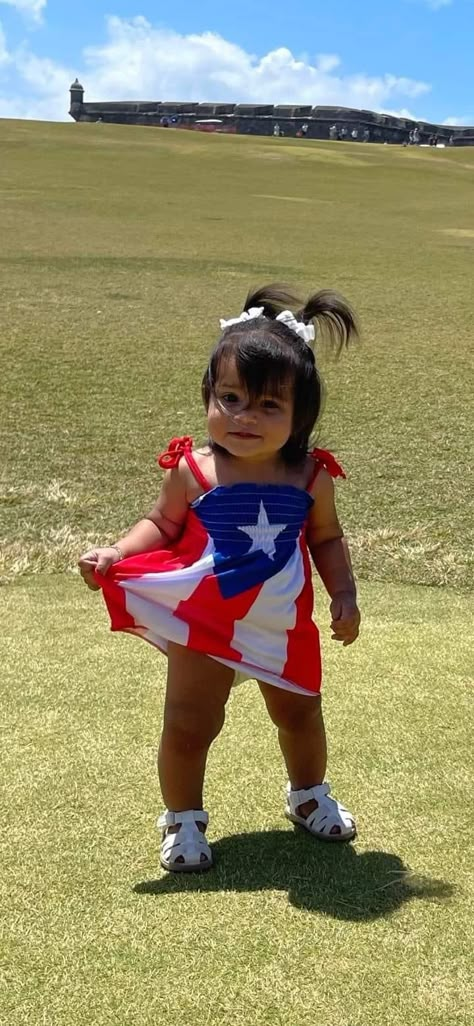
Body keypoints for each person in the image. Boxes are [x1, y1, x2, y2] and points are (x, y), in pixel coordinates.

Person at [78, 285, 361, 873]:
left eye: (267, 406)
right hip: (205, 617)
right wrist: (117, 552)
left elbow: (327, 539)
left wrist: (344, 594)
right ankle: (183, 819)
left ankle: (308, 794)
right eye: (229, 398)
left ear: (300, 415)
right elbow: (160, 523)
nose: (244, 417)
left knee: (300, 713)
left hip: (281, 624)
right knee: (189, 722)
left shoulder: (310, 478)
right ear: (207, 396)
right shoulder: (193, 469)